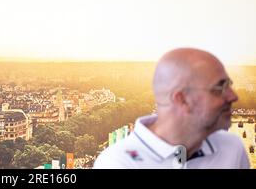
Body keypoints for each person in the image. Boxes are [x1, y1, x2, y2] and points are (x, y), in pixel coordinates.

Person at [94, 48, 250, 169]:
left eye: (229, 85)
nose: (233, 96)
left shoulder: (232, 147)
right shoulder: (118, 162)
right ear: (182, 99)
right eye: (219, 88)